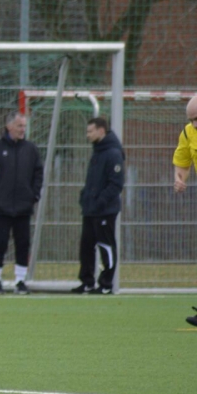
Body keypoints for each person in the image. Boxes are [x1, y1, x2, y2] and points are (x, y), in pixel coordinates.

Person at [0, 111, 43, 295]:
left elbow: (38, 174)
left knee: (23, 244)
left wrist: (33, 196)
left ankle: (20, 281)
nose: (22, 129)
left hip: (23, 207)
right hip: (1, 208)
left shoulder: (31, 149)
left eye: (24, 126)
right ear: (9, 126)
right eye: (19, 126)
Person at [72, 116, 125, 295]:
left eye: (90, 131)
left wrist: (100, 201)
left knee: (106, 245)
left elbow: (116, 184)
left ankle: (106, 284)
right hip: (90, 209)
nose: (87, 135)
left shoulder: (113, 153)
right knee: (86, 246)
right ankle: (87, 282)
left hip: (104, 210)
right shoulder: (97, 151)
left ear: (101, 131)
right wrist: (85, 197)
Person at [171, 96, 197, 325]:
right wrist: (179, 179)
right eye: (191, 120)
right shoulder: (188, 133)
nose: (194, 124)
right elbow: (182, 161)